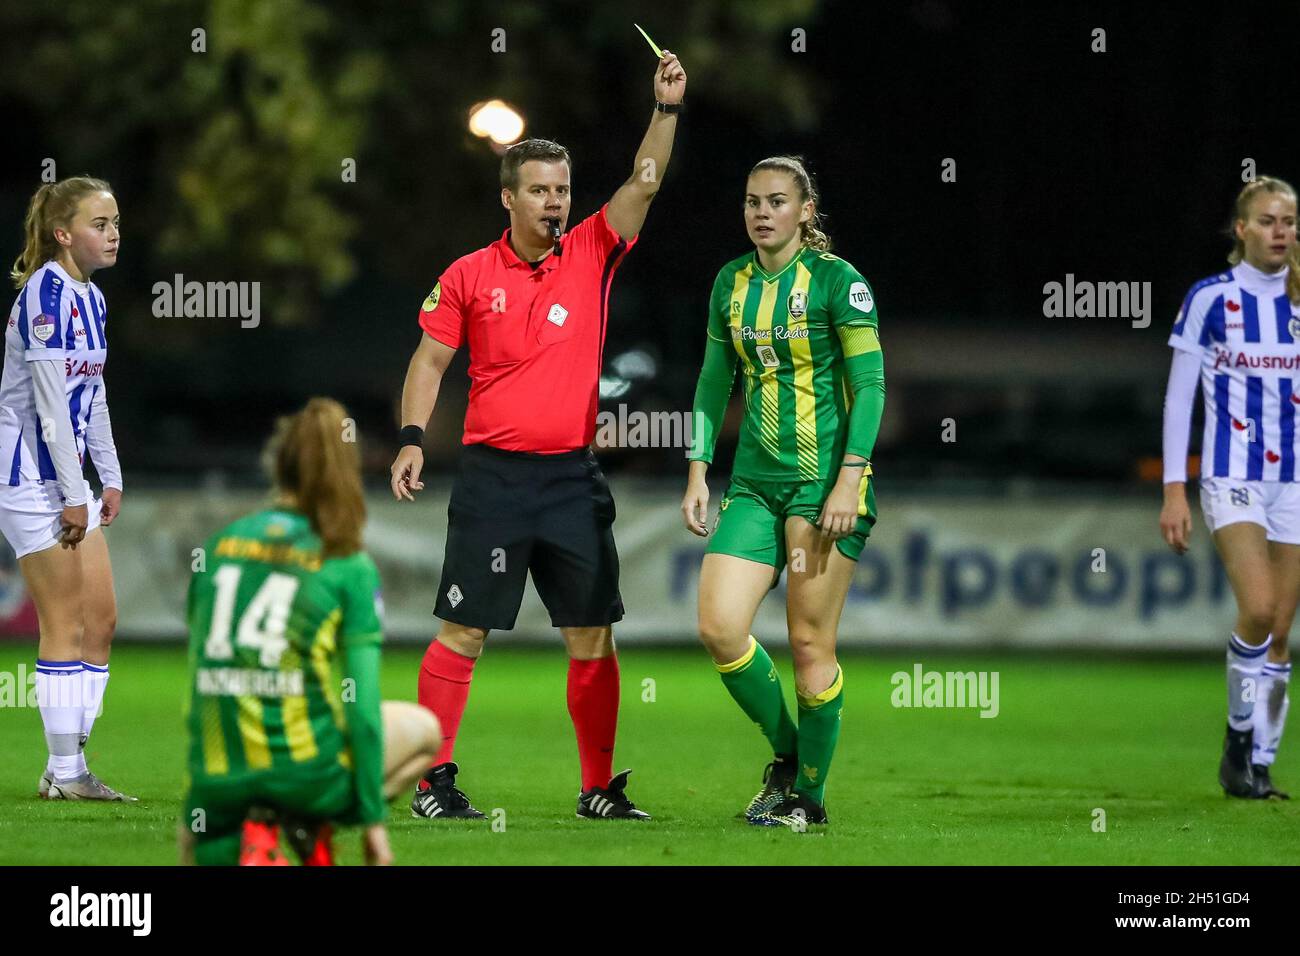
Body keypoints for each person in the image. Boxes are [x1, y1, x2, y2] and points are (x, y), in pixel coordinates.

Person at [390, 50, 687, 821]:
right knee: (464, 631)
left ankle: (598, 789)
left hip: (571, 481)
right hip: (493, 479)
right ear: (509, 198)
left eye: (562, 189)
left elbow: (643, 183)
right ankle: (433, 782)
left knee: (593, 635)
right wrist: (414, 435)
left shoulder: (593, 249)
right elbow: (429, 359)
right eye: (541, 191)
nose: (556, 202)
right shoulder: (465, 274)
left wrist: (665, 111)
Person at [681, 156, 885, 827]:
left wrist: (849, 479)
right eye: (750, 202)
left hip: (824, 485)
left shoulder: (838, 283)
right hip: (754, 485)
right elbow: (715, 383)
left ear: (805, 211)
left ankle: (810, 803)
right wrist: (697, 469)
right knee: (718, 627)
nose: (761, 213)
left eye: (775, 202)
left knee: (807, 645)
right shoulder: (730, 284)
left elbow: (872, 388)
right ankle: (792, 758)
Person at [180, 398, 442, 865]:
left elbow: (201, 678)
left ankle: (254, 829)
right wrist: (373, 823)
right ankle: (302, 820)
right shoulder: (346, 562)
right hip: (305, 775)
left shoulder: (218, 547)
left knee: (196, 841)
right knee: (425, 730)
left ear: (278, 463)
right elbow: (362, 713)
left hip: (214, 783)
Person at [1161, 175, 1300, 800]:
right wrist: (1172, 488)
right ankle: (1238, 740)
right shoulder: (1211, 298)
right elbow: (1179, 396)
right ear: (1242, 229)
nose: (1281, 233)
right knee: (1261, 609)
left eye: (1289, 222)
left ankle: (1259, 767)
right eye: (1269, 221)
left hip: (1293, 480)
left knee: (1282, 629)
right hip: (1231, 474)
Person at [5, 176, 128, 801]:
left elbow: (93, 396)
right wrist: (73, 491)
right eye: (97, 224)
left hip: (71, 476)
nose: (111, 233)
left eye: (114, 222)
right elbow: (52, 406)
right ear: (63, 234)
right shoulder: (44, 297)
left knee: (101, 620)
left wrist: (109, 474)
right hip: (28, 475)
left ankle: (68, 764)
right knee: (65, 621)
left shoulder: (93, 298)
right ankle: (67, 773)